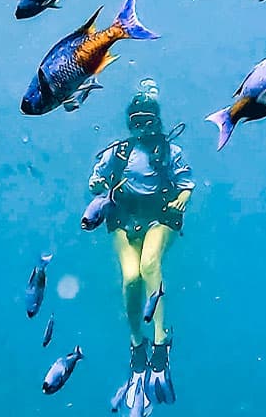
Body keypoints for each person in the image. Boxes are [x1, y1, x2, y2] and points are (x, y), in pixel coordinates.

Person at [87, 80, 194, 411]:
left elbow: (187, 185)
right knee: (131, 277)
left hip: (161, 216)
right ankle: (137, 345)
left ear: (159, 121)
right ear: (129, 123)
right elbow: (94, 184)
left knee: (150, 264)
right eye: (137, 122)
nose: (143, 128)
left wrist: (181, 201)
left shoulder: (169, 152)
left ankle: (160, 344)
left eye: (149, 121)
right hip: (123, 219)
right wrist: (101, 187)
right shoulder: (116, 153)